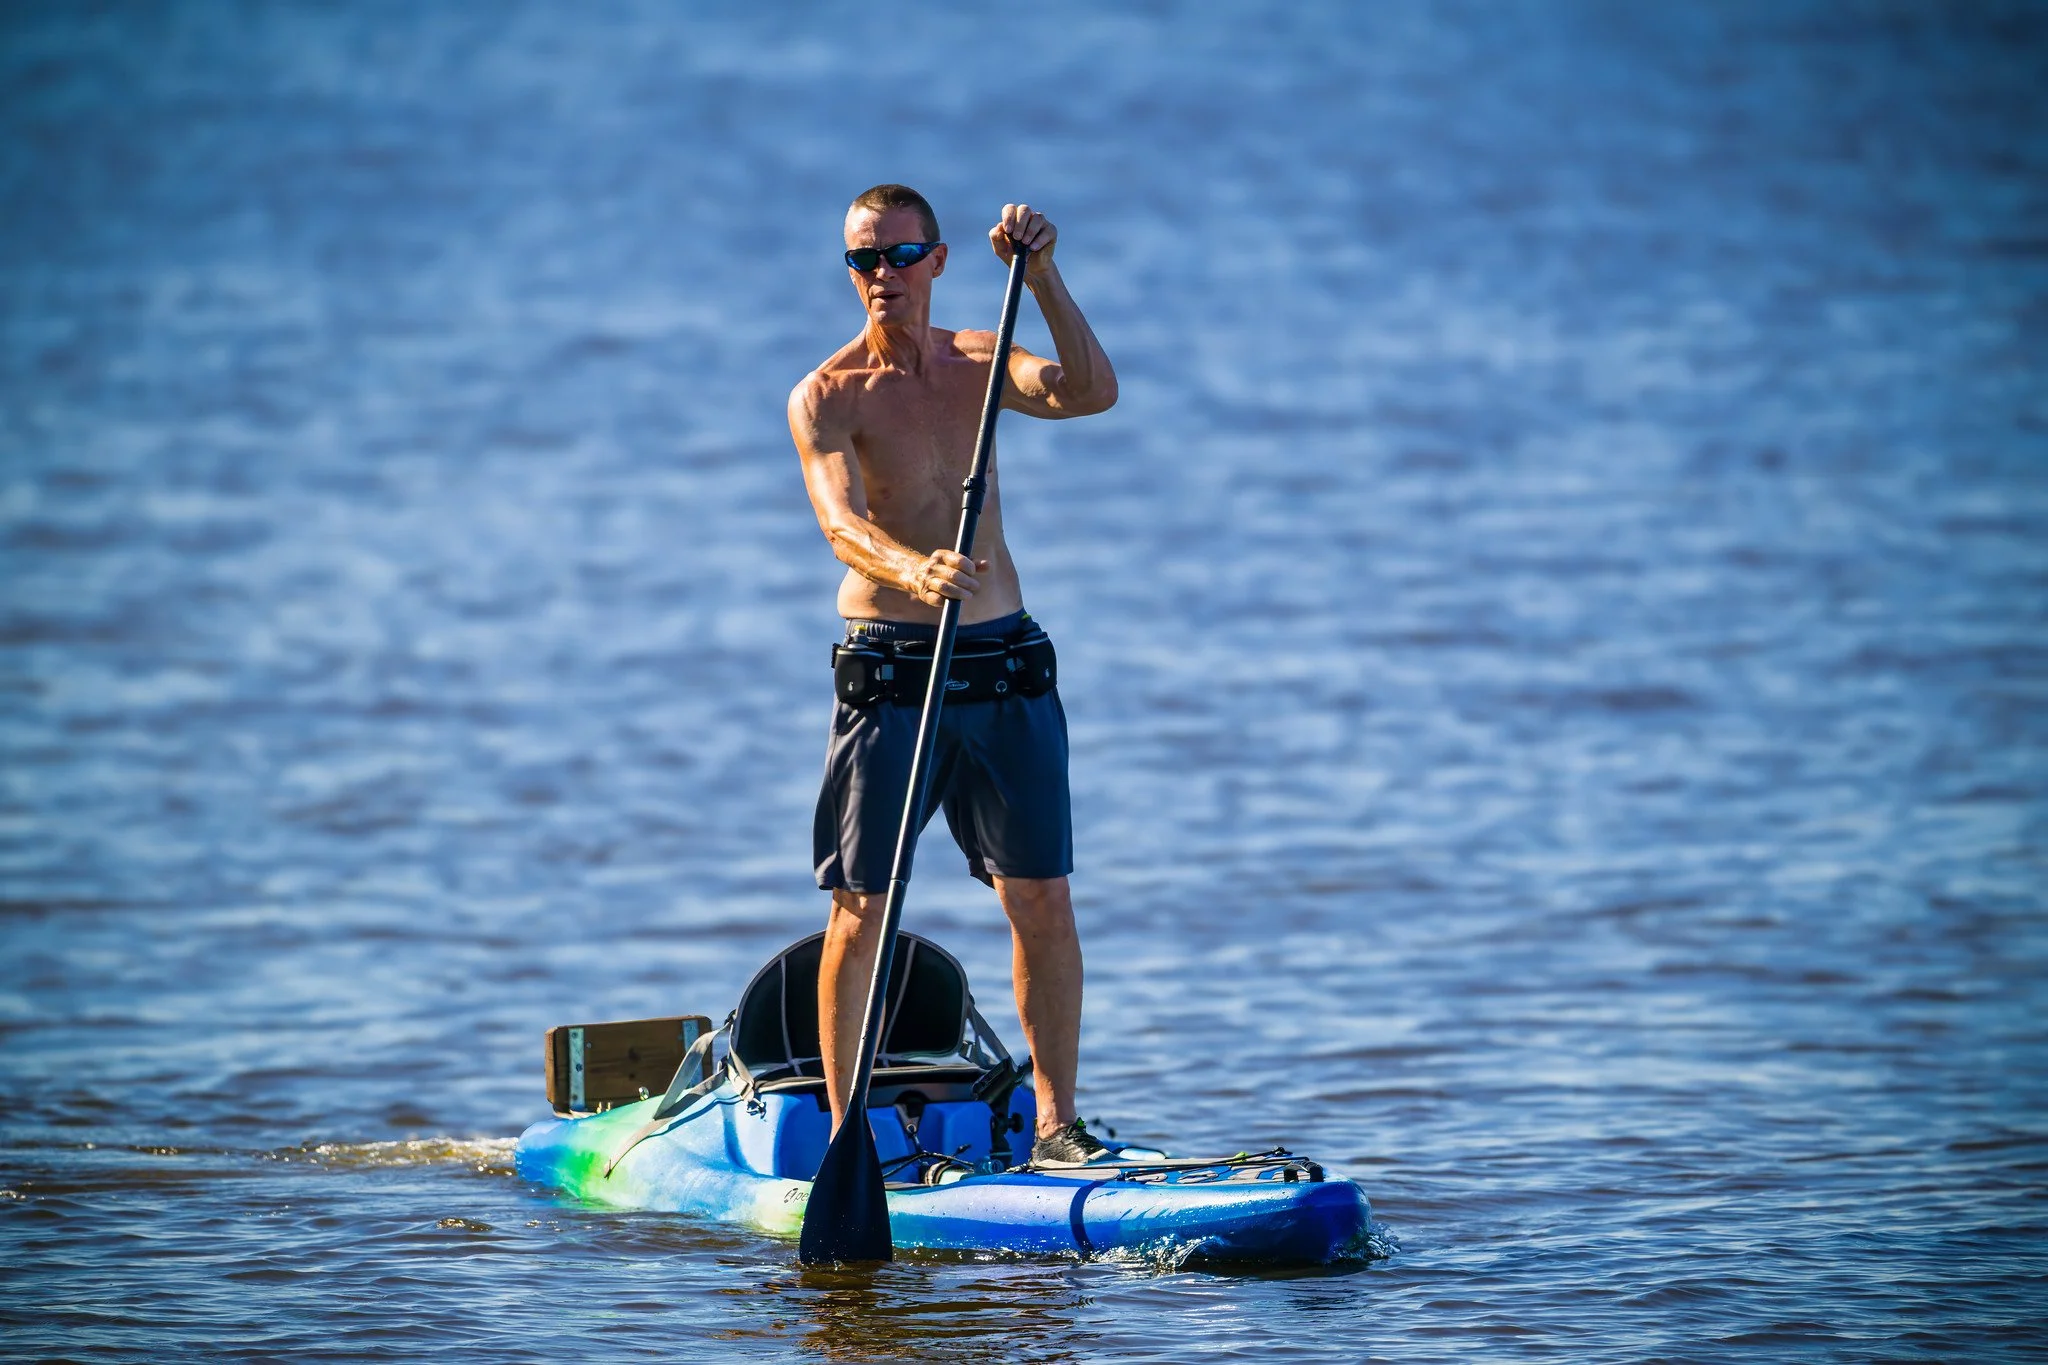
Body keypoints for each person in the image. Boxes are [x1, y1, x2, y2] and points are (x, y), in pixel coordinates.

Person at [788, 184, 1119, 1165]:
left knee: (1041, 899)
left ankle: (1057, 1125)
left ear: (936, 259)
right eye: (861, 261)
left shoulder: (979, 360)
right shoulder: (828, 393)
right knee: (863, 907)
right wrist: (907, 565)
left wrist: (1044, 276)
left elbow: (1088, 391)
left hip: (1003, 666)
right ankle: (848, 1133)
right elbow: (836, 518)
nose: (879, 276)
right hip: (893, 673)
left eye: (896, 256)